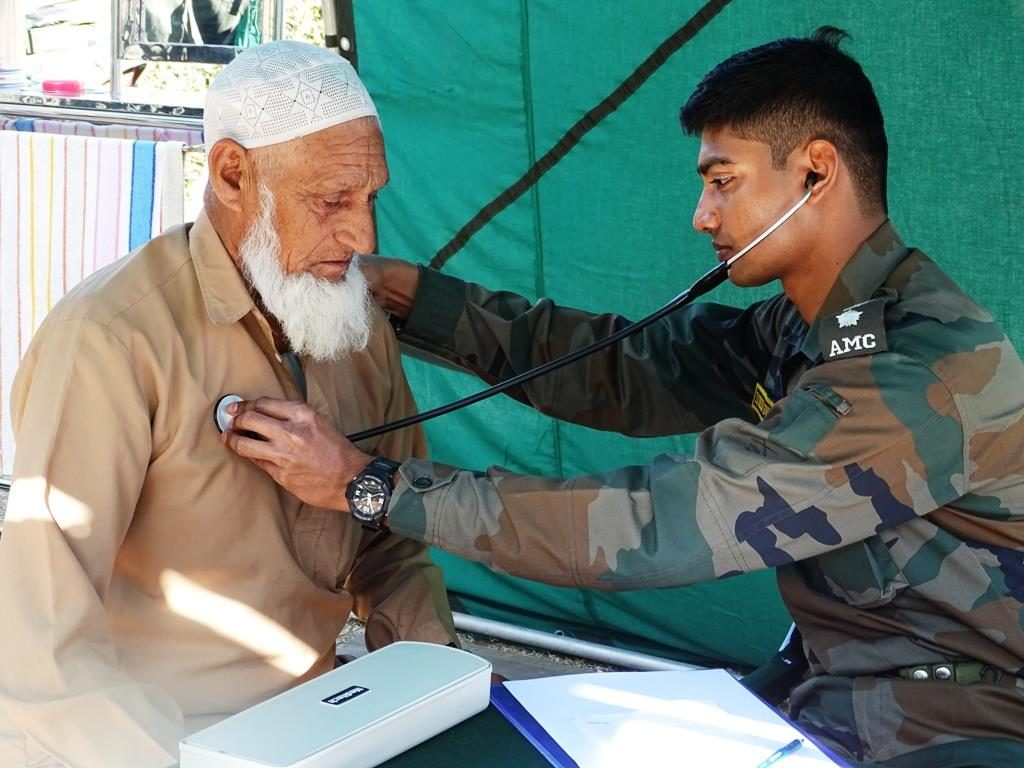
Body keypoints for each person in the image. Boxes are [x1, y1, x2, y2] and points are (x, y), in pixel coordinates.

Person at [222, 28, 1024, 767]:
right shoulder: (816, 326)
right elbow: (631, 368)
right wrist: (420, 303)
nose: (702, 214)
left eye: (723, 182)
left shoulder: (914, 368)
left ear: (816, 170)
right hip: (845, 695)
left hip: (959, 730)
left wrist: (372, 487)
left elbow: (666, 522)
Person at [0, 40, 457, 768]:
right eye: (331, 200)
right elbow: (40, 636)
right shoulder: (112, 340)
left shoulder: (353, 321)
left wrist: (442, 681)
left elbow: (391, 543)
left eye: (370, 198)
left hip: (313, 724)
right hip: (146, 746)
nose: (363, 235)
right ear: (234, 174)